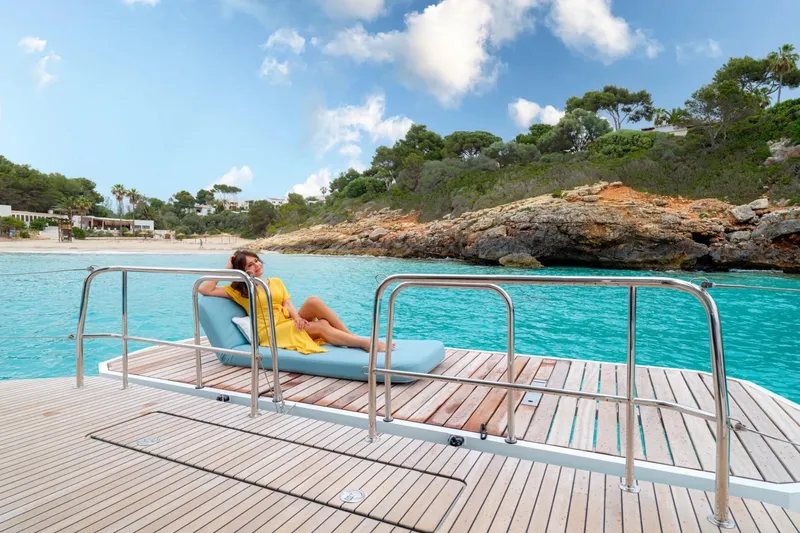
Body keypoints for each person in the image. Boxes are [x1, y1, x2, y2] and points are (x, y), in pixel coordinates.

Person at [198, 250, 389, 354]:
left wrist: (297, 317)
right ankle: (363, 343)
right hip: (271, 330)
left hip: (288, 320)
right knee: (321, 326)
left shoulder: (275, 281)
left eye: (257, 261)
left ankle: (350, 337)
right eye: (250, 265)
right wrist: (229, 268)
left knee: (313, 302)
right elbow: (205, 289)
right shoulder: (239, 290)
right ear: (242, 270)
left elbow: (288, 303)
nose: (257, 265)